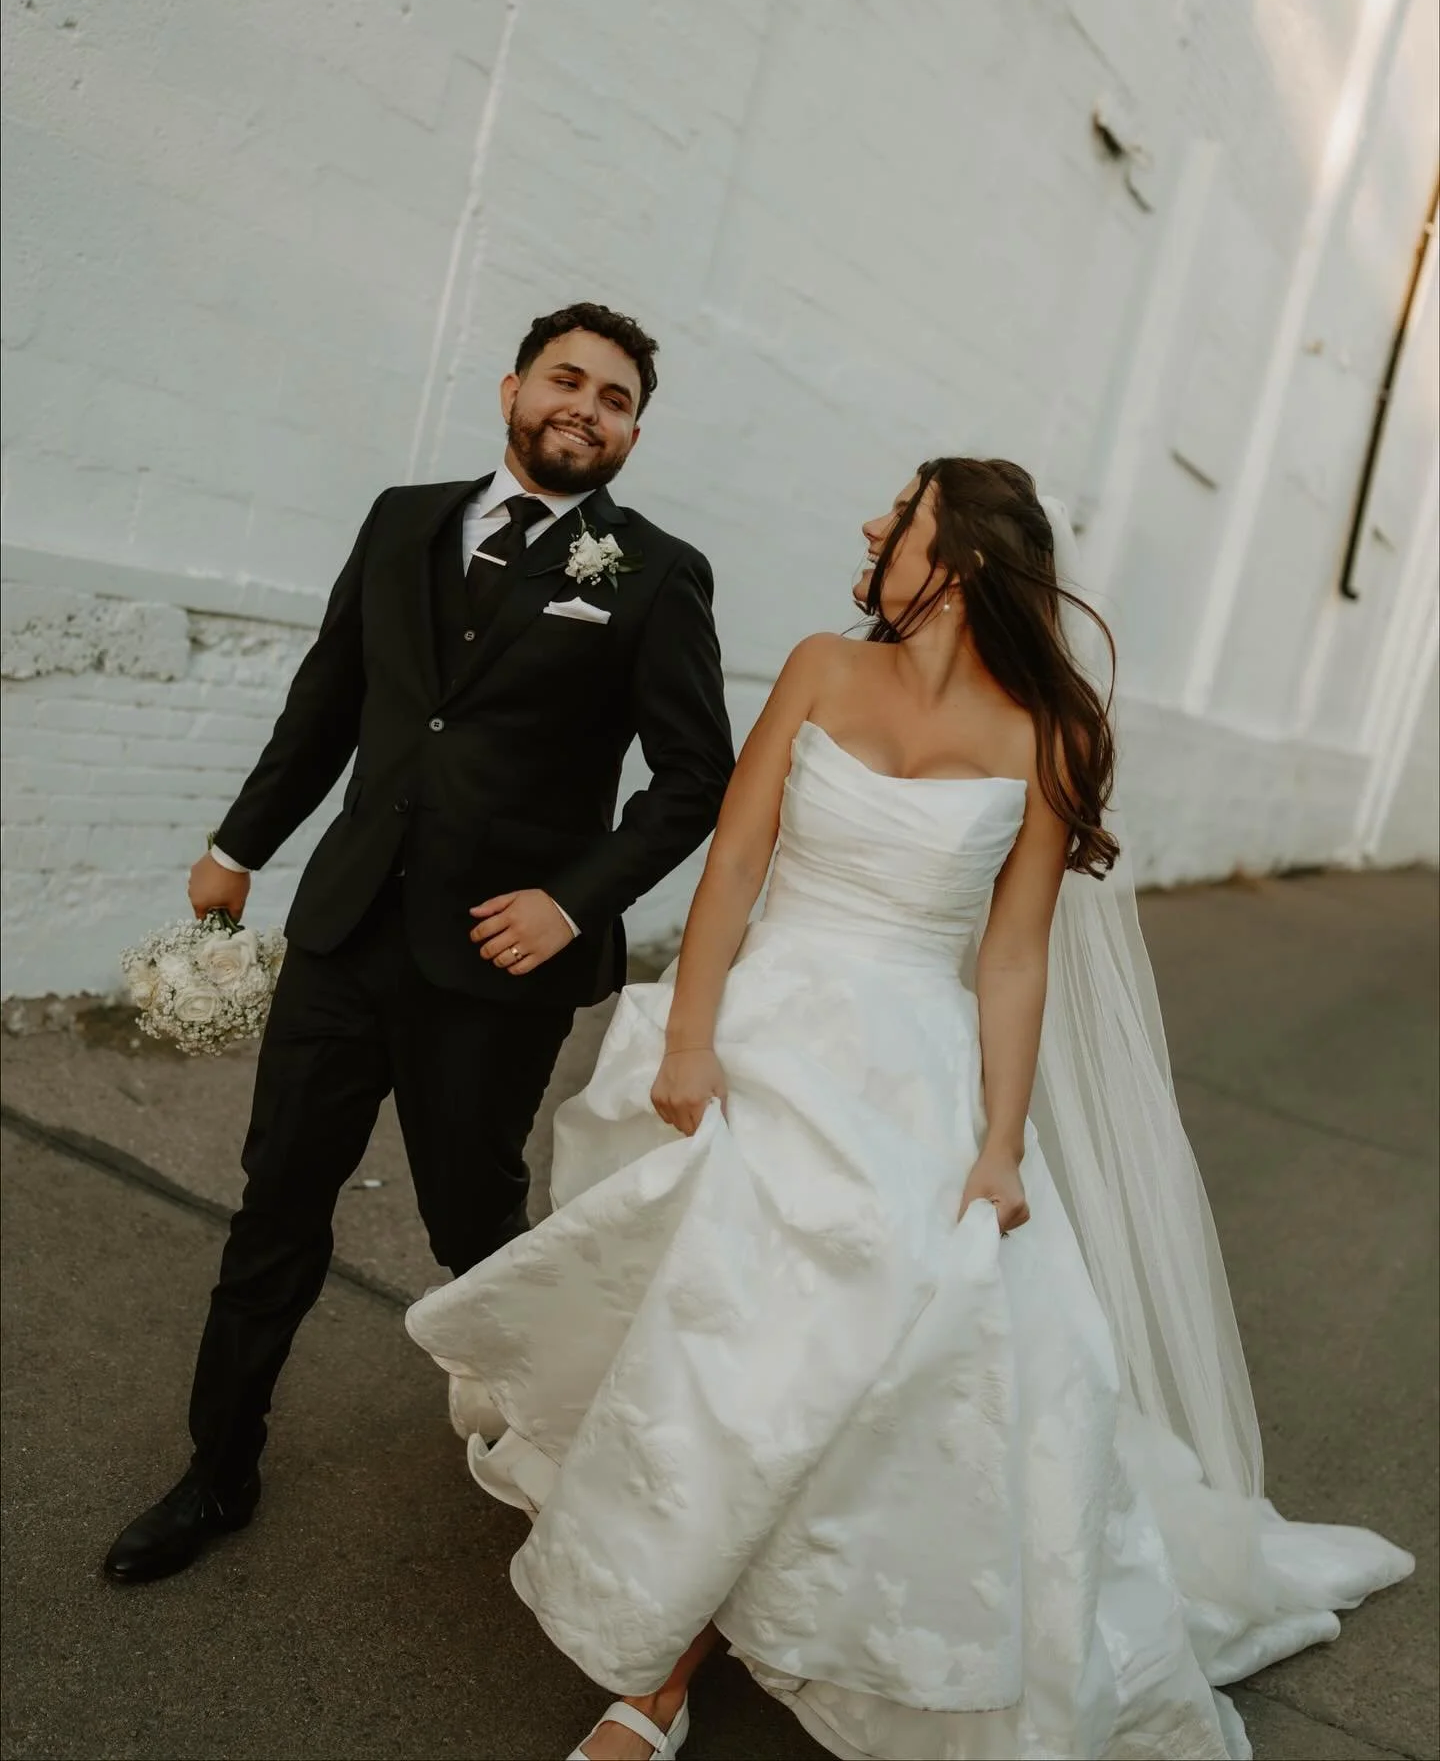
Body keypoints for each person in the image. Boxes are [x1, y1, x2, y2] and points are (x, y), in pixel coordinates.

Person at [407, 457, 1413, 1761]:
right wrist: (693, 1036)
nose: (872, 525)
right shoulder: (825, 666)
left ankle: (676, 1651)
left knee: (871, 1332)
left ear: (962, 563)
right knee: (733, 1329)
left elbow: (1011, 957)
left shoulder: (1050, 737)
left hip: (913, 1063)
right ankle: (653, 1674)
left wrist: (1000, 1147)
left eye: (903, 516)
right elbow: (737, 863)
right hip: (771, 1028)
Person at [103, 303, 735, 1586]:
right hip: (345, 934)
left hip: (497, 971)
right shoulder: (403, 521)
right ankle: (214, 1471)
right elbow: (328, 699)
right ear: (512, 390)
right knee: (274, 1210)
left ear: (630, 433)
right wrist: (240, 844)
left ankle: (557, 1459)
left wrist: (574, 899)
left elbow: (691, 780)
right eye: (568, 380)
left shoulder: (656, 574)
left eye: (617, 400)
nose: (588, 408)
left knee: (473, 1227)